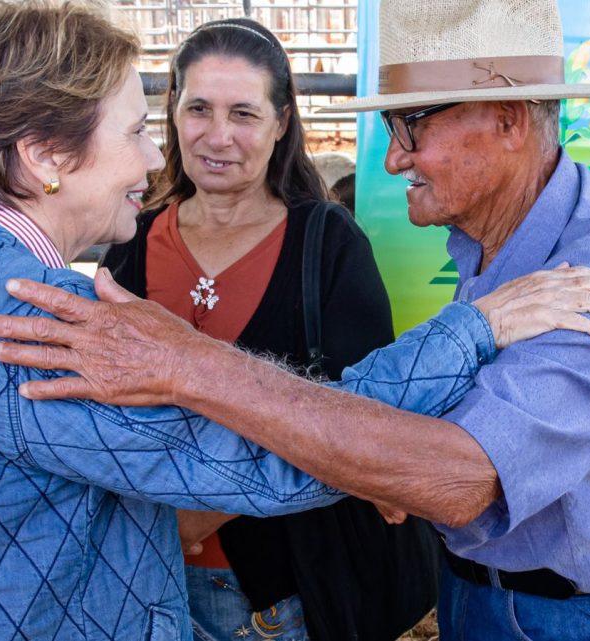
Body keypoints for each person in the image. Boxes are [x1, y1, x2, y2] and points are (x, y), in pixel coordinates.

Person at [0, 1, 590, 639]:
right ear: (45, 158)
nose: (159, 156)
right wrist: (475, 327)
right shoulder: (40, 321)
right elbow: (278, 462)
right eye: (136, 132)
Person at [100, 18, 431, 641]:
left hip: (282, 600)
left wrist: (195, 518)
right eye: (199, 108)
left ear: (281, 125)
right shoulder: (132, 242)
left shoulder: (326, 245)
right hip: (147, 588)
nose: (218, 136)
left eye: (244, 114)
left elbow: (356, 415)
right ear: (172, 112)